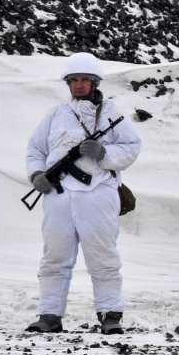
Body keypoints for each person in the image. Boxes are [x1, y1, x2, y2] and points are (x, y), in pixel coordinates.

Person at [25, 52, 141, 334]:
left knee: (102, 256)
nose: (79, 85)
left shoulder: (112, 114)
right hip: (59, 196)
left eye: (84, 80)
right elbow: (36, 150)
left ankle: (110, 315)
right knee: (54, 257)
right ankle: (49, 315)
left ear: (94, 83)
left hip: (98, 193)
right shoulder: (55, 113)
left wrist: (104, 153)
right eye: (74, 80)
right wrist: (38, 174)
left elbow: (131, 147)